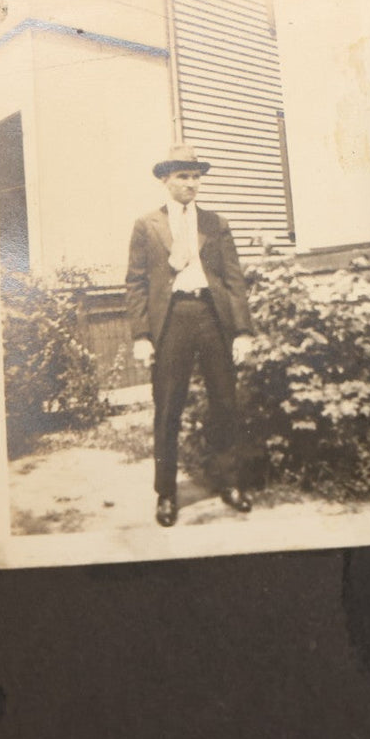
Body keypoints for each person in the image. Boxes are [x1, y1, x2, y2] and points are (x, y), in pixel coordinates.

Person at [126, 144, 255, 527]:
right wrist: (142, 335)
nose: (191, 183)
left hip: (213, 317)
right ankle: (166, 493)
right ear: (166, 180)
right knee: (168, 408)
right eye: (183, 176)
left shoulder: (216, 223)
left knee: (225, 404)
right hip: (172, 320)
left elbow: (234, 281)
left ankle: (229, 482)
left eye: (196, 176)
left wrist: (243, 331)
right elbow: (135, 284)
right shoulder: (147, 225)